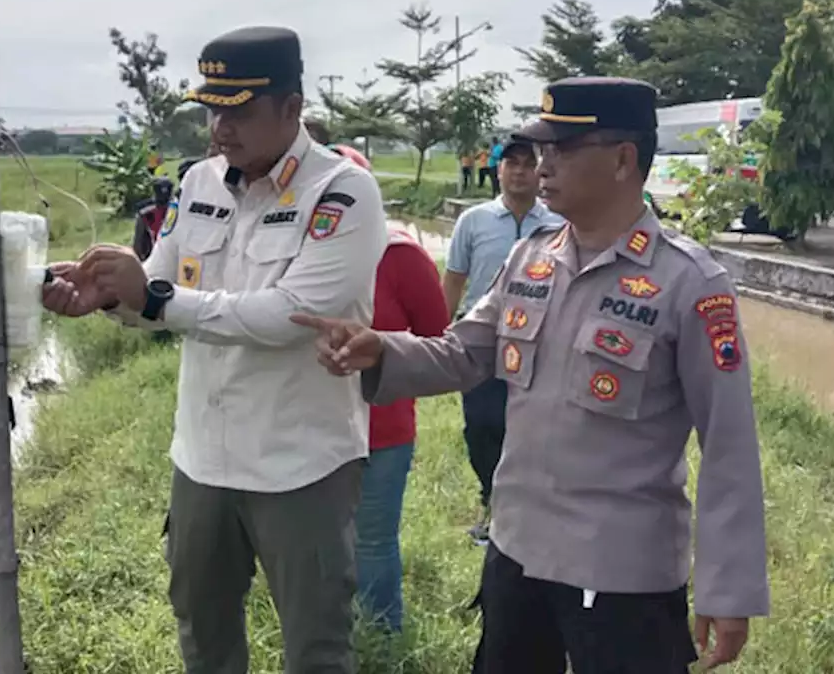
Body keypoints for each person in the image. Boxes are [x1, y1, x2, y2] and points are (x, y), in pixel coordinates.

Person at [293, 77, 770, 673]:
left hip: (620, 572)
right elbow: (466, 353)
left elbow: (728, 443)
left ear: (624, 159)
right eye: (541, 148)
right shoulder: (531, 258)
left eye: (563, 149)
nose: (543, 164)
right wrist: (382, 352)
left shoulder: (689, 285)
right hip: (516, 551)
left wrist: (730, 588)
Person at [42, 25, 388, 673]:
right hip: (201, 461)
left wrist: (152, 298)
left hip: (300, 468)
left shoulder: (341, 193)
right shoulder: (199, 182)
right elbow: (159, 288)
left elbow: (291, 314)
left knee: (316, 648)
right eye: (211, 108)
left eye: (240, 110)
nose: (220, 127)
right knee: (204, 636)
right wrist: (109, 296)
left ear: (292, 108)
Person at [442, 139, 562, 545]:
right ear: (499, 170)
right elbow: (455, 279)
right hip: (481, 341)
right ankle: (493, 498)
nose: (520, 171)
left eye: (530, 164)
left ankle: (522, 514)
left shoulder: (557, 226)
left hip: (538, 342)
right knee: (480, 425)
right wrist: (440, 335)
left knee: (529, 427)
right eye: (513, 163)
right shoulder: (473, 221)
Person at [356, 225, 449, 631]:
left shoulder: (398, 256)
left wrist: (380, 348)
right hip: (300, 428)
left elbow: (436, 339)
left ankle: (380, 639)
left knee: (372, 541)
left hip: (381, 430)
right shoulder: (293, 247)